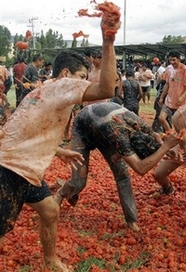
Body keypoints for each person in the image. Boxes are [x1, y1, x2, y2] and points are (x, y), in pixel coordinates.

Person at [0, 8, 121, 271]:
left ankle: (50, 261)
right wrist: (108, 41)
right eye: (80, 78)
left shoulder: (43, 93)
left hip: (24, 168)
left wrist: (60, 152)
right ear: (66, 74)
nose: (81, 85)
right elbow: (106, 89)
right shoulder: (62, 86)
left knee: (50, 211)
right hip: (10, 171)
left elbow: (25, 133)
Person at [54, 102, 181, 232]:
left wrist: (167, 149)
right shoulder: (121, 139)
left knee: (123, 175)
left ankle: (131, 220)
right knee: (79, 181)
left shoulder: (139, 126)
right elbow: (140, 168)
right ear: (130, 149)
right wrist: (165, 147)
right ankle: (60, 194)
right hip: (83, 127)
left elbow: (154, 136)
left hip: (104, 129)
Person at [158, 50, 186, 132]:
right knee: (161, 118)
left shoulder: (185, 69)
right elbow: (167, 84)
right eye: (170, 60)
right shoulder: (169, 69)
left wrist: (182, 97)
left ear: (179, 59)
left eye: (174, 60)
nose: (172, 62)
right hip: (169, 100)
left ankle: (180, 137)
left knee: (179, 123)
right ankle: (170, 133)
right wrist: (162, 97)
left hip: (180, 102)